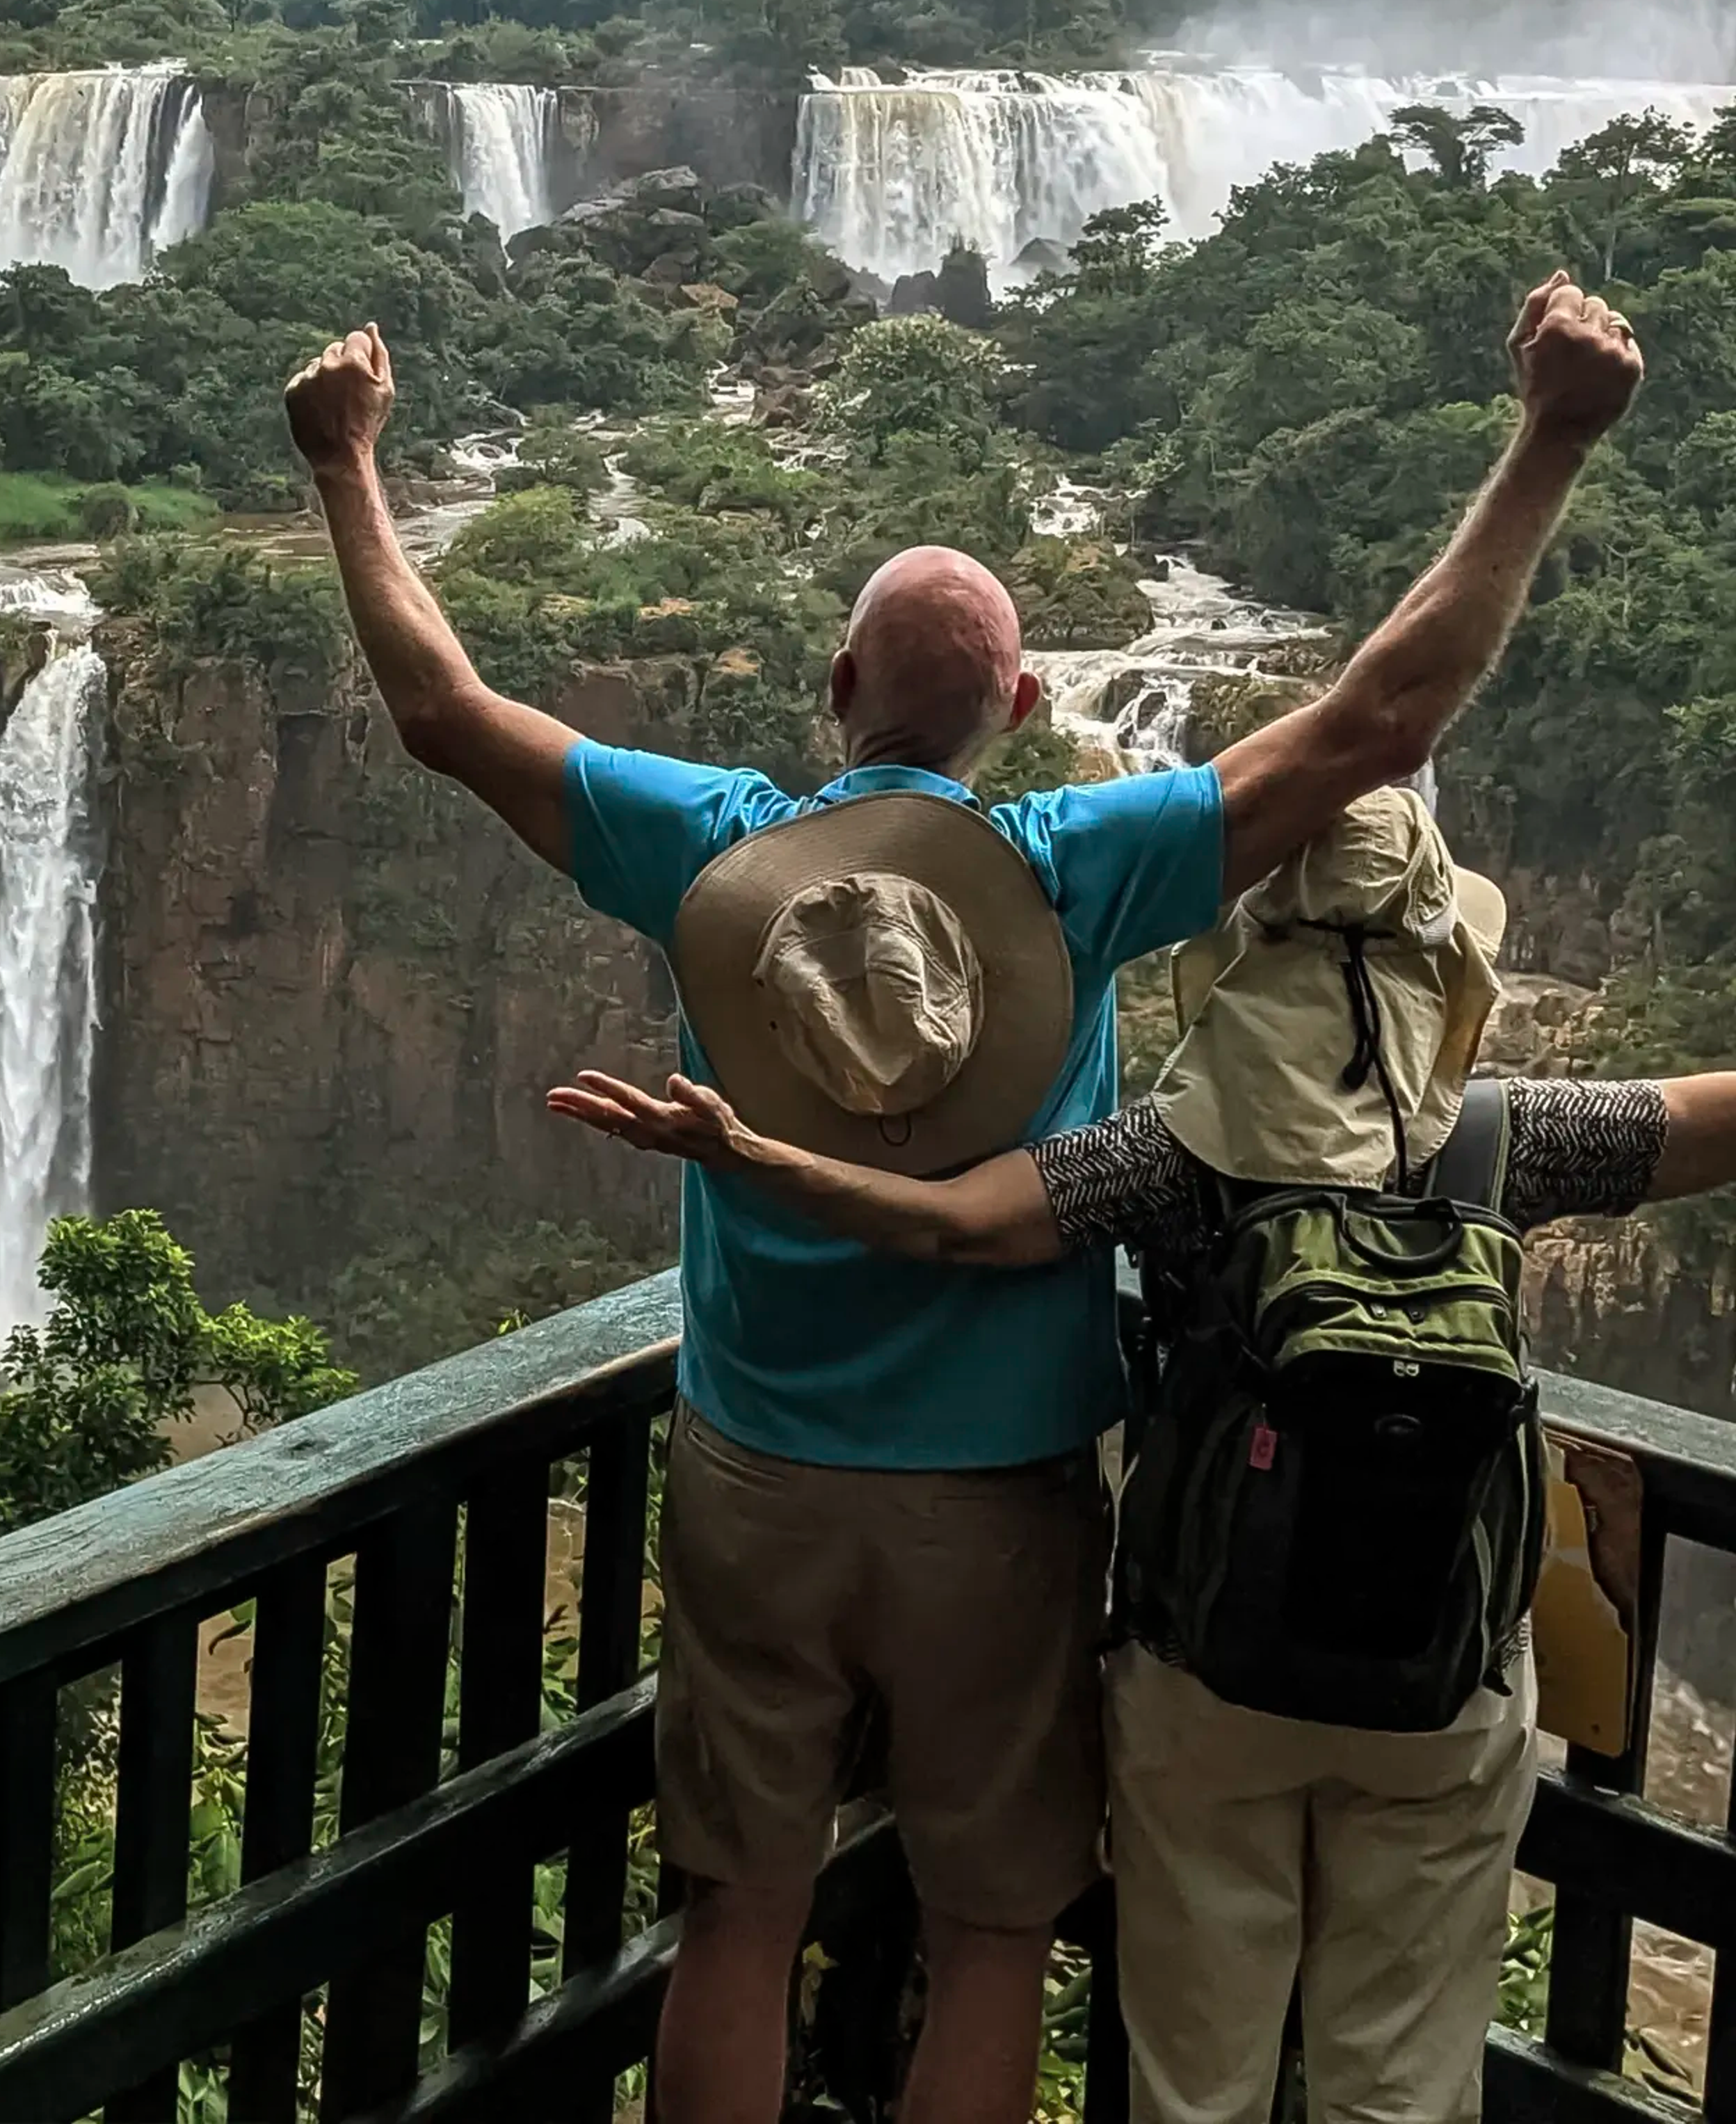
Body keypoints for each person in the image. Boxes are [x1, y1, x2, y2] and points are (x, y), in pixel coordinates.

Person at [281, 273, 1640, 2124]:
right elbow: (1377, 720)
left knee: (740, 1912)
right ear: (1018, 703)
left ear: (837, 691)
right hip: (1000, 1501)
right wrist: (1550, 436)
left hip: (756, 1471)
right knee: (997, 1929)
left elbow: (442, 708)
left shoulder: (711, 848)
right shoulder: (1078, 865)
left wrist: (347, 461)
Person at [549, 784, 1727, 2124]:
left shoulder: (1176, 1153)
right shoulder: (1505, 1138)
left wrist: (750, 1155)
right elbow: (1705, 1124)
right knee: (1400, 2082)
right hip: (1442, 1688)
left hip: (1203, 1673)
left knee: (1192, 2078)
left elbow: (951, 1224)